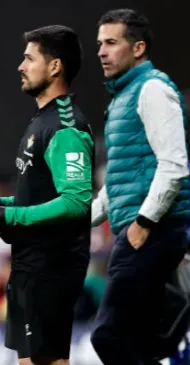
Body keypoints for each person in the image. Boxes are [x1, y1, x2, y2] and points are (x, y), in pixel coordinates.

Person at [0, 25, 93, 365]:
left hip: (51, 266)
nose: (20, 66)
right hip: (30, 265)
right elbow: (41, 193)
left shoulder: (66, 126)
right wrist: (1, 205)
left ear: (55, 67)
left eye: (28, 58)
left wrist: (11, 216)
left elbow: (76, 202)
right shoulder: (41, 120)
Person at [90, 9, 189, 364]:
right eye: (100, 43)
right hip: (140, 231)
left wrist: (143, 222)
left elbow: (174, 166)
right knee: (145, 341)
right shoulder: (122, 98)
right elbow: (116, 186)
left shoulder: (153, 89)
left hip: (152, 232)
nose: (101, 51)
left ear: (138, 48)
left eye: (112, 43)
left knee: (109, 336)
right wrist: (74, 219)